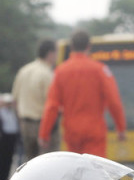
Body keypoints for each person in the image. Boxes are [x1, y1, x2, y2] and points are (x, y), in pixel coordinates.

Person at [39, 29, 126, 158]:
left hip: (71, 131)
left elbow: (52, 105)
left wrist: (44, 134)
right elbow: (114, 101)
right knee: (95, 170)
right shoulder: (100, 70)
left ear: (72, 47)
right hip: (94, 131)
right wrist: (121, 128)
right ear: (88, 46)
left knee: (75, 171)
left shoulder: (60, 71)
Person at [12, 39, 58, 162]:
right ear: (50, 53)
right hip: (43, 125)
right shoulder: (48, 74)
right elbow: (52, 104)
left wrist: (21, 121)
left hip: (25, 124)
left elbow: (15, 100)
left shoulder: (23, 71)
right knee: (48, 163)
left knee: (31, 162)